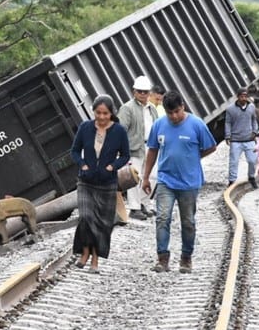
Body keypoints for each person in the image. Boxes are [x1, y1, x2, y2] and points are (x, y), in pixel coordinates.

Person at [141, 90, 217, 273]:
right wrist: (146, 176)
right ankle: (162, 257)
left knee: (188, 221)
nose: (174, 117)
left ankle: (186, 258)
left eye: (177, 112)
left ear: (183, 107)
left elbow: (211, 146)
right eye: (170, 113)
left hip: (189, 183)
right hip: (166, 181)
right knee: (162, 218)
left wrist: (193, 157)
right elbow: (152, 150)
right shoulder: (159, 125)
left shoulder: (197, 125)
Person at [70, 95, 130, 273]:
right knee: (86, 218)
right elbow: (74, 151)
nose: (102, 117)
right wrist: (83, 164)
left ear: (111, 113)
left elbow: (125, 155)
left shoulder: (119, 131)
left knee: (102, 223)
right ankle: (85, 252)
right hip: (86, 181)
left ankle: (95, 259)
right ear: (93, 112)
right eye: (98, 113)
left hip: (107, 183)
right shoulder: (85, 127)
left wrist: (113, 166)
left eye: (105, 113)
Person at [118, 75, 159, 220]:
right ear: (134, 91)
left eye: (145, 91)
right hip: (134, 148)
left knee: (152, 176)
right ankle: (134, 208)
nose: (142, 94)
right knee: (134, 178)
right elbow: (120, 130)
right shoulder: (127, 108)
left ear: (149, 93)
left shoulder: (152, 109)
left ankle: (143, 203)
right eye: (140, 91)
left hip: (151, 146)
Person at [224, 87, 259, 188]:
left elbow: (254, 120)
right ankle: (231, 180)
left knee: (252, 160)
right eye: (241, 96)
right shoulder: (230, 109)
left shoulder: (252, 107)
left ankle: (251, 177)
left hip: (249, 139)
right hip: (236, 140)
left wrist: (255, 131)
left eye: (245, 96)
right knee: (233, 161)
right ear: (237, 97)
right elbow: (228, 122)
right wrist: (228, 135)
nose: (243, 98)